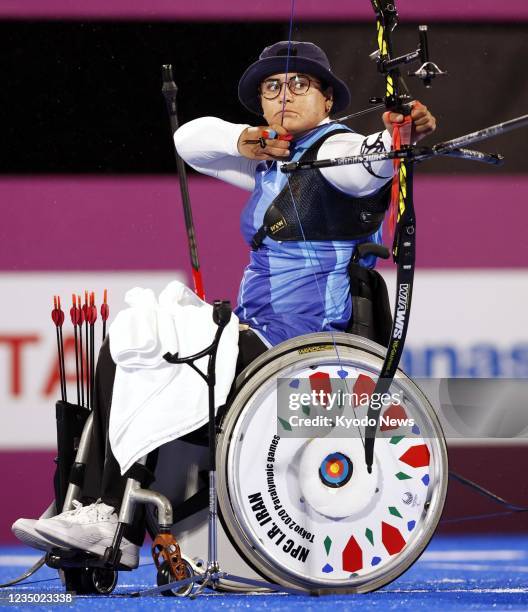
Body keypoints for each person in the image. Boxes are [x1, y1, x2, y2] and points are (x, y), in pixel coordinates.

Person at [12, 40, 436, 566]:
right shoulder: (272, 161)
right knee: (129, 339)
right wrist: (246, 141)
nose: (285, 95)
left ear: (328, 101)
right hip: (251, 334)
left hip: (295, 348)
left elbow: (364, 162)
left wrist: (397, 133)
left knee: (152, 339)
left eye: (300, 84)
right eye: (272, 87)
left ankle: (106, 516)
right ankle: (105, 517)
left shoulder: (333, 152)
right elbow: (189, 140)